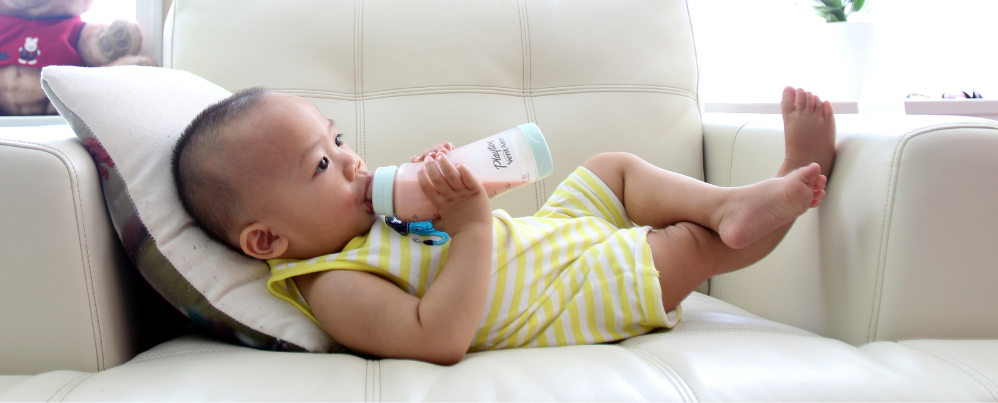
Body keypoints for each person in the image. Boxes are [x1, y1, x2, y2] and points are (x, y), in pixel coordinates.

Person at [172, 87, 835, 365]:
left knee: (614, 168)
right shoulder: (332, 281)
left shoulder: (366, 219)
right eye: (321, 162)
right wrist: (471, 224)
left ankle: (730, 199)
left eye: (339, 138)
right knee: (687, 246)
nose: (351, 159)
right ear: (267, 240)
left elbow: (442, 229)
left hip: (552, 234)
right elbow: (438, 337)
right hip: (569, 294)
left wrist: (442, 189)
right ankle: (763, 202)